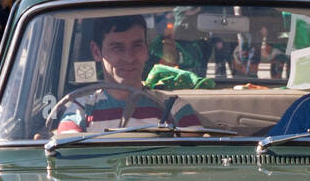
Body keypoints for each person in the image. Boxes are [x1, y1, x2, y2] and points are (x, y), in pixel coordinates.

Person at [55, 16, 203, 135]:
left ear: (146, 49)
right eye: (117, 48)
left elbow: (196, 160)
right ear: (96, 51)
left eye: (137, 46)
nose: (129, 57)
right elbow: (68, 157)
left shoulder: (173, 107)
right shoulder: (81, 109)